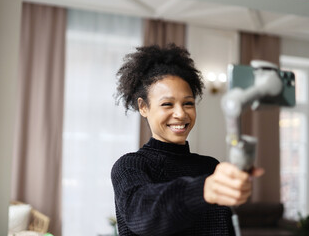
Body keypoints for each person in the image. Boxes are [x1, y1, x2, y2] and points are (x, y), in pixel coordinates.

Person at [111, 44, 263, 236]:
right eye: (167, 104)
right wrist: (205, 190)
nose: (181, 113)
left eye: (188, 103)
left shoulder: (210, 166)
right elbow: (144, 215)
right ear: (143, 107)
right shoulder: (129, 166)